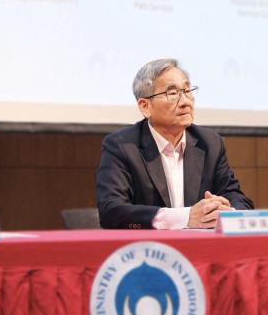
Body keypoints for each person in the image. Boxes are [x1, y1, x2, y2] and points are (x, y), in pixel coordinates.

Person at [96, 58, 253, 229]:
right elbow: (111, 211)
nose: (185, 102)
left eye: (187, 90)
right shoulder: (122, 146)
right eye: (172, 93)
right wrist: (186, 217)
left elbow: (238, 199)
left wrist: (226, 211)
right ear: (145, 106)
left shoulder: (210, 143)